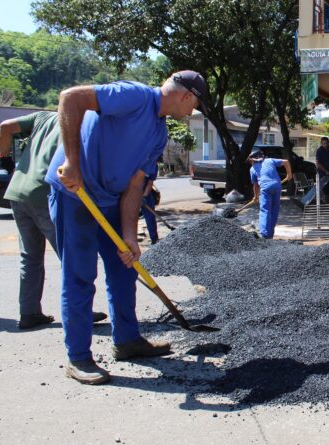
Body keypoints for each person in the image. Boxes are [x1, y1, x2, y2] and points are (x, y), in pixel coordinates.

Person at [46, 70, 209, 384]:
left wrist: (129, 237)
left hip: (109, 199)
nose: (191, 113)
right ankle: (78, 357)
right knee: (80, 275)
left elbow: (135, 186)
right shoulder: (135, 96)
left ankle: (127, 340)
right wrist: (73, 161)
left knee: (125, 266)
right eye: (194, 106)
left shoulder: (159, 134)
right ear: (186, 95)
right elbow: (71, 98)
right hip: (75, 192)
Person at [0, 112, 107, 330]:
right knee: (71, 255)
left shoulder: (42, 117)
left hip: (18, 192)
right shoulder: (82, 122)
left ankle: (29, 312)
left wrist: (4, 157)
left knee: (30, 256)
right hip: (46, 194)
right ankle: (79, 311)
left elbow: (5, 126)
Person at [250, 151, 292, 239]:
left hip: (266, 189)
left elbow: (256, 185)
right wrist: (289, 174)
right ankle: (270, 234)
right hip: (277, 186)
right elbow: (286, 162)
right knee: (274, 210)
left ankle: (264, 235)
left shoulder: (253, 169)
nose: (251, 162)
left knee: (265, 210)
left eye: (251, 160)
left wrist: (256, 196)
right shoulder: (269, 161)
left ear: (254, 160)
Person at [140, 174, 159, 244]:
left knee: (150, 217)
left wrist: (144, 196)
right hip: (129, 190)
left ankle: (154, 239)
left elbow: (150, 182)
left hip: (145, 191)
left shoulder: (153, 166)